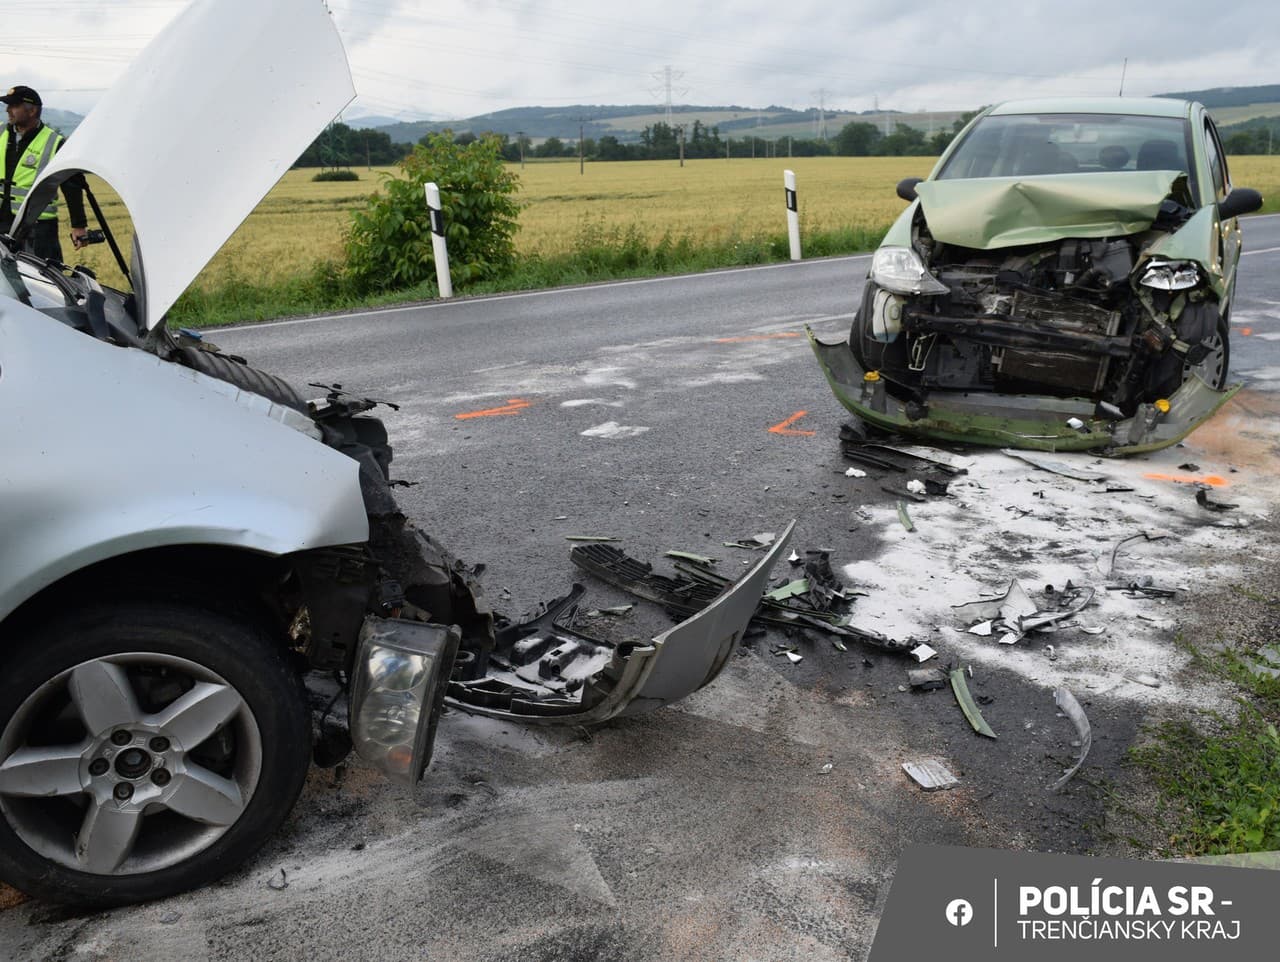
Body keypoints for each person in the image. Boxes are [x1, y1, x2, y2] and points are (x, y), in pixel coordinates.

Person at [0, 85, 88, 262]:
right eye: (8, 105)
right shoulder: (1, 132)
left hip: (38, 228)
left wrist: (78, 225)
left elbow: (72, 186)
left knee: (45, 280)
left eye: (14, 106)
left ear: (32, 111)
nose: (8, 110)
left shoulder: (54, 142)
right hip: (1, 221)